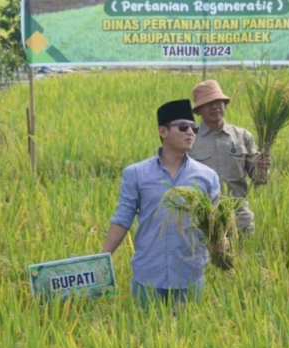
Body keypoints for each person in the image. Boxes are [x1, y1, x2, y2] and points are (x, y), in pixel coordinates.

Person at [101, 99, 220, 306]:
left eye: (194, 128)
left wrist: (222, 247)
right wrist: (101, 259)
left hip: (189, 274)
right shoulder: (137, 174)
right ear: (163, 131)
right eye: (183, 127)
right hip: (149, 274)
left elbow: (215, 223)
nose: (190, 132)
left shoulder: (207, 176)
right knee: (144, 334)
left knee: (188, 335)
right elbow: (122, 219)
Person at [189, 80, 269, 235]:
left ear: (225, 105)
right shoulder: (190, 139)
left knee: (244, 259)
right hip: (204, 221)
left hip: (239, 220)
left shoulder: (242, 136)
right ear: (198, 110)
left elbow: (260, 180)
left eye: (218, 102)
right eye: (208, 103)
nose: (214, 107)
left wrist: (263, 167)